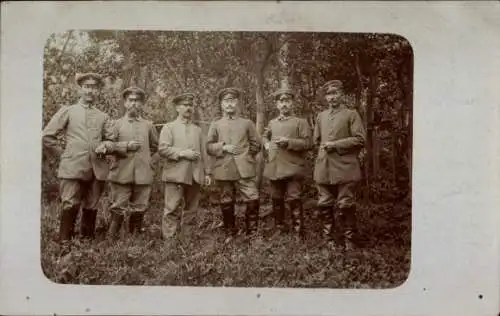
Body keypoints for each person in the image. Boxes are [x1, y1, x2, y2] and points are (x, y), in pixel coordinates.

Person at [42, 72, 114, 242]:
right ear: (80, 89)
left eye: (94, 87)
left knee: (92, 204)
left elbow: (111, 140)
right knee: (70, 203)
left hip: (97, 168)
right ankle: (64, 243)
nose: (90, 91)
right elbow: (47, 136)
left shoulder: (103, 116)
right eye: (87, 87)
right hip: (73, 166)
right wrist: (64, 156)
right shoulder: (68, 111)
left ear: (98, 91)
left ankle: (86, 243)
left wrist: (106, 145)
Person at [96, 86, 159, 239]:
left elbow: (156, 147)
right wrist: (125, 146)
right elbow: (108, 146)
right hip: (121, 172)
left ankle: (134, 239)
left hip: (143, 174)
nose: (134, 104)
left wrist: (151, 163)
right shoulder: (115, 124)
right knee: (118, 206)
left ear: (142, 104)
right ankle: (111, 240)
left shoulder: (148, 125)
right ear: (125, 103)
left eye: (137, 101)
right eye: (130, 100)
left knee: (140, 206)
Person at [313, 79, 366, 250]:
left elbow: (360, 139)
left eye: (335, 93)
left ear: (342, 95)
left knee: (345, 203)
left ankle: (350, 241)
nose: (331, 97)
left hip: (345, 167)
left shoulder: (351, 114)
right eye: (328, 94)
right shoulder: (321, 116)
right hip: (324, 168)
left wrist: (336, 145)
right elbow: (317, 141)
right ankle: (328, 240)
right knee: (325, 203)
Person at [206, 87, 261, 239]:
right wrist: (223, 147)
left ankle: (252, 233)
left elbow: (256, 144)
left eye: (232, 100)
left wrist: (246, 156)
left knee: (252, 197)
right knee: (226, 199)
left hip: (244, 168)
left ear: (237, 103)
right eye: (226, 101)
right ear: (221, 104)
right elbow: (208, 146)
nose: (229, 104)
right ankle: (230, 232)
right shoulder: (216, 124)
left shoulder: (247, 123)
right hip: (224, 167)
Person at [158, 93, 211, 241]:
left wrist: (207, 173)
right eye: (184, 105)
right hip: (175, 174)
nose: (188, 108)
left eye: (190, 105)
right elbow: (162, 149)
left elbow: (204, 152)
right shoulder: (169, 127)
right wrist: (182, 153)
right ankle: (169, 241)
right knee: (172, 208)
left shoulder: (198, 130)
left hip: (195, 174)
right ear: (177, 108)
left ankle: (186, 240)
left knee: (191, 209)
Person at [262, 87, 311, 236]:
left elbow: (308, 143)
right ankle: (280, 228)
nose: (284, 104)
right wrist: (266, 143)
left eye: (287, 101)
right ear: (277, 105)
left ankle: (298, 232)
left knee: (294, 198)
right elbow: (265, 136)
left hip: (293, 168)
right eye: (281, 101)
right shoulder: (272, 123)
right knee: (276, 198)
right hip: (275, 167)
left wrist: (288, 142)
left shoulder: (300, 122)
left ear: (292, 103)